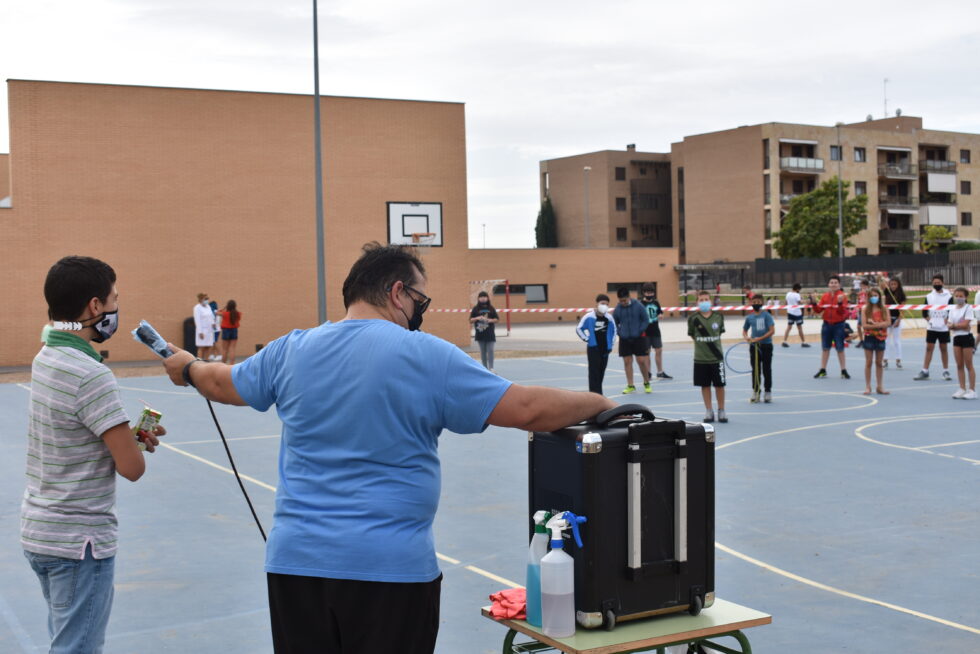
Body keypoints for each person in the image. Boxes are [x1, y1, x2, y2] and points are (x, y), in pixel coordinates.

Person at [160, 243, 616, 654]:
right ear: (398, 292)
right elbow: (527, 409)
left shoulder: (290, 350)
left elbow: (220, 383)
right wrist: (601, 403)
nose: (421, 312)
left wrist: (188, 367)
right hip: (389, 572)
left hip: (295, 567)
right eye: (421, 300)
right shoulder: (425, 354)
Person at [22, 256, 164, 654]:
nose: (117, 307)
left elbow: (78, 434)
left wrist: (127, 438)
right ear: (95, 306)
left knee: (66, 641)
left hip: (42, 532)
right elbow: (131, 467)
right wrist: (135, 443)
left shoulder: (46, 357)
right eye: (114, 299)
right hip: (79, 543)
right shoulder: (92, 375)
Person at [688, 289, 727, 422]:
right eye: (701, 300)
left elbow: (719, 333)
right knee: (705, 385)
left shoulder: (718, 317)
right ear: (697, 302)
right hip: (700, 358)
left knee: (719, 385)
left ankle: (721, 410)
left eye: (706, 299)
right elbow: (693, 335)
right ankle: (709, 410)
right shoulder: (693, 318)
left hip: (716, 358)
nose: (704, 302)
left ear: (710, 301)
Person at [612, 286, 652, 394]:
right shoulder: (618, 309)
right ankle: (630, 385)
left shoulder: (638, 305)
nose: (623, 303)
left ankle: (646, 382)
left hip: (638, 338)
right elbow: (614, 323)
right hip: (624, 339)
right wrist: (620, 333)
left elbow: (645, 320)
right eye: (620, 301)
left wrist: (639, 330)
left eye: (624, 300)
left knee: (641, 361)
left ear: (629, 297)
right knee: (627, 362)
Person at [914, 274, 953, 381]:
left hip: (943, 328)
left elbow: (951, 310)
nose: (936, 284)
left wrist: (947, 319)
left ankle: (946, 371)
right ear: (932, 283)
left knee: (943, 348)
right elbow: (924, 311)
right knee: (929, 348)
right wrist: (929, 320)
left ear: (942, 283)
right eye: (935, 283)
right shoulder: (929, 296)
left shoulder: (948, 296)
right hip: (932, 327)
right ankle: (925, 371)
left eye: (938, 283)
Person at [810, 275, 851, 379]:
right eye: (831, 282)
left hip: (839, 325)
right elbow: (818, 310)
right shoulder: (825, 296)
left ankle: (843, 370)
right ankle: (822, 370)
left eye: (835, 282)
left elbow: (842, 312)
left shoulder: (843, 296)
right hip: (827, 325)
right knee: (825, 348)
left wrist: (840, 303)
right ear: (828, 284)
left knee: (840, 348)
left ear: (839, 284)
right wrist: (814, 302)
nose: (833, 284)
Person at [576, 294, 617, 394]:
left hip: (605, 349)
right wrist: (587, 339)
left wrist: (611, 345)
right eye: (602, 303)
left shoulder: (609, 318)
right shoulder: (589, 316)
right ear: (597, 304)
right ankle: (595, 395)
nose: (604, 306)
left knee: (601, 372)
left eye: (607, 304)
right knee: (594, 373)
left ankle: (598, 393)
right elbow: (579, 329)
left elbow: (614, 331)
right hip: (593, 348)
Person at [742, 295, 775, 403]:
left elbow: (772, 331)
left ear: (762, 303)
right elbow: (745, 330)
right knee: (755, 370)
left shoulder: (767, 316)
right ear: (751, 303)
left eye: (758, 302)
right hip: (754, 347)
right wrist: (747, 337)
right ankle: (756, 391)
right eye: (754, 302)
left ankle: (768, 391)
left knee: (766, 369)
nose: (756, 304)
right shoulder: (749, 317)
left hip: (766, 346)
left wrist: (759, 339)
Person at [861, 287, 891, 395]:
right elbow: (865, 325)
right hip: (869, 337)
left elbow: (888, 323)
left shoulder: (884, 309)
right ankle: (868, 386)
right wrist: (879, 325)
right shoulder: (865, 309)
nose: (874, 298)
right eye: (871, 296)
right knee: (868, 362)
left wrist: (875, 324)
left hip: (881, 338)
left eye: (875, 295)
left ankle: (879, 386)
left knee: (879, 362)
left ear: (879, 296)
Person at [947, 287, 976, 399]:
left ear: (966, 297)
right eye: (957, 296)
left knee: (969, 365)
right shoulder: (952, 309)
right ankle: (962, 388)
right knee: (959, 365)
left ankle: (972, 390)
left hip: (966, 338)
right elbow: (949, 324)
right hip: (957, 338)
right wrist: (956, 326)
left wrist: (954, 326)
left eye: (961, 296)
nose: (958, 298)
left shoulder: (968, 308)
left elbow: (965, 325)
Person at [640, 282, 672, 379]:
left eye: (651, 293)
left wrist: (660, 315)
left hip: (655, 330)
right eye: (647, 293)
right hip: (645, 331)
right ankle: (648, 372)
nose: (649, 295)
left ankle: (660, 371)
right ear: (644, 293)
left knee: (659, 350)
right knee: (647, 352)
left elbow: (660, 312)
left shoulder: (656, 302)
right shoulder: (640, 304)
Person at [469, 291, 499, 372]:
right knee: (483, 352)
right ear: (478, 298)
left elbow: (497, 319)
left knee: (490, 350)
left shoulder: (491, 308)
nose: (483, 298)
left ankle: (491, 368)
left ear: (487, 298)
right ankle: (485, 368)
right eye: (481, 297)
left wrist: (490, 320)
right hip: (480, 333)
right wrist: (477, 318)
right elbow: (470, 320)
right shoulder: (475, 308)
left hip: (490, 333)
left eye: (484, 297)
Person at [881, 277, 906, 369]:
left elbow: (902, 309)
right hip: (887, 319)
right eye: (891, 284)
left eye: (895, 284)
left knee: (896, 341)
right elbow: (881, 285)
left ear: (898, 285)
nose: (893, 286)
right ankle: (885, 360)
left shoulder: (901, 295)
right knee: (886, 340)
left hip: (896, 319)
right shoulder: (887, 292)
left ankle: (898, 360)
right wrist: (881, 277)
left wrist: (899, 320)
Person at [781, 282, 809, 348]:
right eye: (799, 289)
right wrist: (805, 300)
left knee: (789, 327)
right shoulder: (797, 295)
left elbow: (785, 303)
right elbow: (800, 303)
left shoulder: (788, 294)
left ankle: (784, 341)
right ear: (797, 289)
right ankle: (803, 342)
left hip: (790, 312)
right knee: (799, 328)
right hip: (797, 313)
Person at [194, 292, 217, 361]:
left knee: (208, 347)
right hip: (202, 330)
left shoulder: (208, 307)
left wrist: (213, 323)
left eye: (207, 298)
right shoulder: (197, 308)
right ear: (201, 299)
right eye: (205, 299)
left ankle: (206, 362)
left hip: (209, 330)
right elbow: (197, 320)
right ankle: (199, 362)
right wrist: (200, 332)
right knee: (201, 347)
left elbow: (211, 317)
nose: (207, 300)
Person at [219, 299, 242, 365]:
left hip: (226, 330)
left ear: (228, 306)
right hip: (234, 330)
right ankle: (232, 364)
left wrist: (223, 308)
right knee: (232, 348)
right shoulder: (238, 314)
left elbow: (217, 312)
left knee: (224, 349)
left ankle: (223, 364)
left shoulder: (224, 314)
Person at [854, 279, 870, 348]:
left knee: (866, 327)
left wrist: (866, 293)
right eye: (861, 285)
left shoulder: (869, 293)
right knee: (858, 326)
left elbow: (870, 301)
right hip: (861, 311)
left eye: (864, 285)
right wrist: (857, 310)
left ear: (867, 286)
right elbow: (858, 301)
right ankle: (861, 340)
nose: (862, 287)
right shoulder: (859, 293)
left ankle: (867, 340)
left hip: (867, 311)